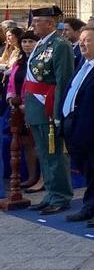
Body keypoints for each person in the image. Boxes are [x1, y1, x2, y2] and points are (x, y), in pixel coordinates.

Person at [61, 27, 94, 225]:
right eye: (81, 40)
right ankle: (90, 205)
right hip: (76, 126)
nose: (82, 44)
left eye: (87, 40)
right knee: (89, 171)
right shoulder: (83, 64)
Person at [23, 5, 74, 215]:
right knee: (43, 153)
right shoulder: (42, 44)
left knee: (54, 154)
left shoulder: (60, 45)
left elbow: (63, 80)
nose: (33, 26)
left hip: (48, 105)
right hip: (36, 106)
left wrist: (58, 111)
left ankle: (61, 195)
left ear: (50, 23)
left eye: (37, 22)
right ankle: (51, 193)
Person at [10, 30, 40, 190]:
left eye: (31, 41)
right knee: (26, 143)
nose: (27, 45)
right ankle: (31, 176)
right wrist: (11, 98)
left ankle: (42, 178)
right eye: (24, 42)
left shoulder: (40, 61)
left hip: (34, 106)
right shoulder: (19, 62)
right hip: (18, 107)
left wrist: (28, 104)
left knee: (38, 143)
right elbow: (11, 83)